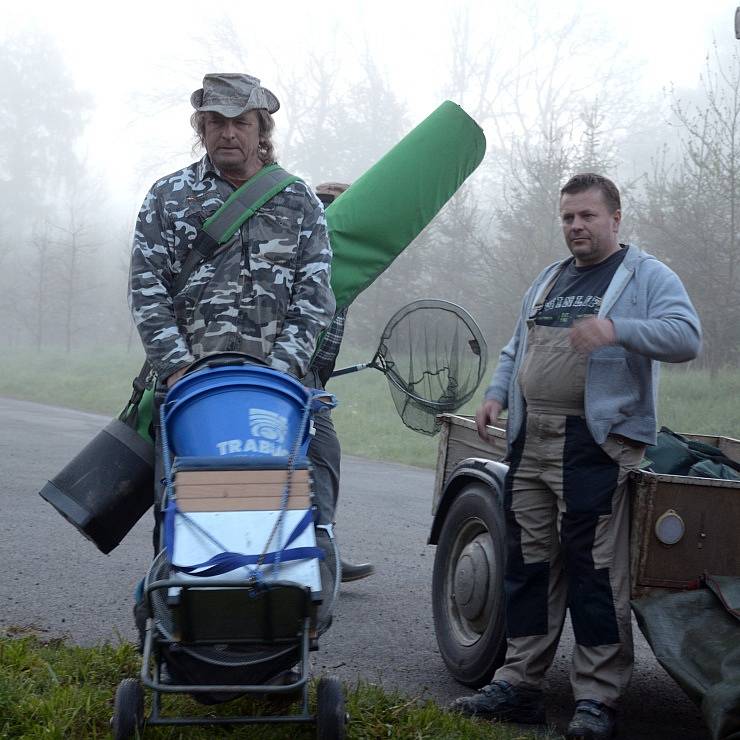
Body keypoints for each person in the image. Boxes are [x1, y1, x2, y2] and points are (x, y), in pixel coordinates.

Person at [451, 173, 701, 740]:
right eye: (567, 217)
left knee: (594, 573)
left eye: (587, 216)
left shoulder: (645, 275)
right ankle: (520, 685)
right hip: (529, 441)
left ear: (615, 218)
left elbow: (687, 337)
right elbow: (518, 345)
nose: (575, 227)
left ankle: (597, 699)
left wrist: (617, 329)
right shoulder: (550, 278)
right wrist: (496, 393)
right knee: (529, 566)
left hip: (594, 445)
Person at [128, 73, 335, 547]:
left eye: (240, 122)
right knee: (184, 516)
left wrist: (282, 371)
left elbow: (316, 292)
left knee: (305, 495)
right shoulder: (169, 196)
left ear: (262, 130)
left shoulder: (298, 200)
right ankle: (172, 614)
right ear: (200, 128)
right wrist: (176, 367)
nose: (227, 133)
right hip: (191, 386)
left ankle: (305, 586)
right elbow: (146, 288)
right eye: (215, 121)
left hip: (280, 385)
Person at [304, 182, 374, 583]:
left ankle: (317, 549)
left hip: (312, 376)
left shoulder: (343, 267)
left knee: (317, 461)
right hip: (291, 373)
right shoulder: (311, 253)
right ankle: (318, 555)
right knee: (319, 455)